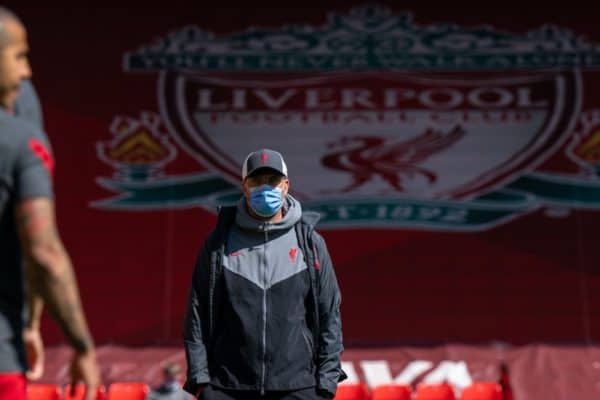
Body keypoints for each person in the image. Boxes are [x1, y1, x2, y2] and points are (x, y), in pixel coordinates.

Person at [183, 149, 346, 400]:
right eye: (256, 181)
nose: (265, 187)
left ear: (286, 185)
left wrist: (326, 383)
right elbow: (197, 313)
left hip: (297, 387)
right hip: (228, 387)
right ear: (244, 188)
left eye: (272, 180)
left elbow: (329, 316)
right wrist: (200, 381)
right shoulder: (218, 243)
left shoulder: (310, 243)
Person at [0, 7, 100, 400]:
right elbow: (42, 252)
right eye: (20, 57)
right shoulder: (19, 141)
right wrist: (82, 347)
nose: (27, 73)